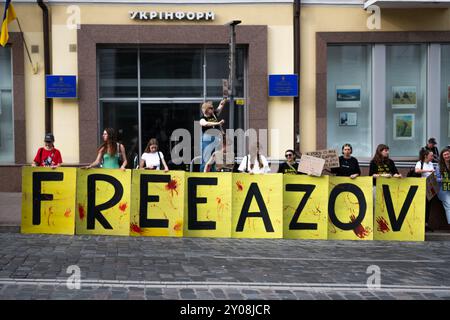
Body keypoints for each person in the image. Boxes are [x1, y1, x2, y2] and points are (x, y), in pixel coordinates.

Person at [199, 99, 227, 172]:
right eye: (210, 108)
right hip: (208, 138)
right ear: (206, 110)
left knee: (216, 156)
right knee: (206, 156)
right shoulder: (203, 118)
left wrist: (222, 103)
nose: (212, 109)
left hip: (217, 138)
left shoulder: (214, 115)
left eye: (212, 108)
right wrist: (218, 123)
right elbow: (205, 123)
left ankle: (215, 171)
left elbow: (219, 108)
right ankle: (203, 172)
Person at [415, 149, 436, 232]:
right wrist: (428, 170)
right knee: (422, 205)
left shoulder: (431, 163)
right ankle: (421, 224)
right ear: (426, 156)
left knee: (428, 205)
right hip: (422, 186)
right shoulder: (420, 163)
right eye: (431, 155)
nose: (432, 157)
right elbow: (417, 170)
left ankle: (426, 223)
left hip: (430, 186)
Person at [434, 147, 450, 225]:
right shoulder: (439, 166)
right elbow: (436, 179)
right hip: (443, 190)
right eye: (445, 155)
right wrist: (443, 180)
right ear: (442, 156)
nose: (447, 156)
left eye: (448, 154)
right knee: (449, 204)